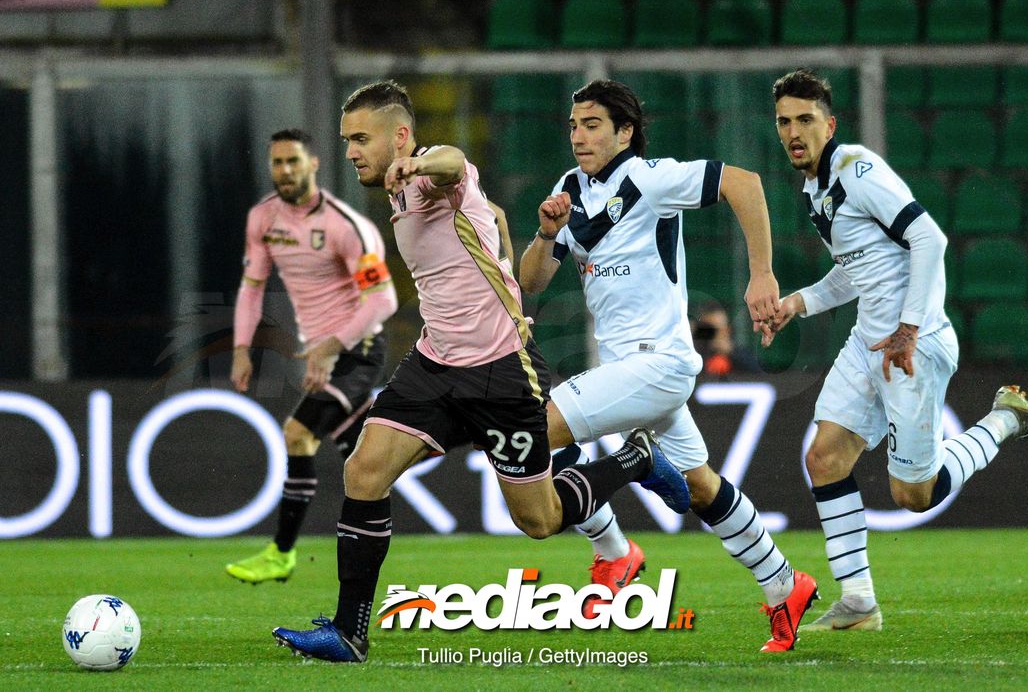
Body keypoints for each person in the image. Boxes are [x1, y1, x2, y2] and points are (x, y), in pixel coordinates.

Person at [271, 80, 690, 663]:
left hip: (500, 371)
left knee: (538, 520)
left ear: (400, 136)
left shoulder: (434, 173)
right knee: (363, 472)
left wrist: (419, 164)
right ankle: (349, 632)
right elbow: (487, 216)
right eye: (346, 140)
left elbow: (452, 163)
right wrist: (496, 242)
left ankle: (634, 460)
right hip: (435, 364)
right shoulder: (402, 191)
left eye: (360, 139)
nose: (350, 152)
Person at [517, 79, 819, 653]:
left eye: (592, 125)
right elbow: (532, 282)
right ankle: (785, 584)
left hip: (658, 364)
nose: (578, 136)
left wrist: (762, 273)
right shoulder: (568, 190)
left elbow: (745, 183)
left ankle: (615, 551)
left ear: (624, 132)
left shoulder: (650, 179)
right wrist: (546, 233)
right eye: (574, 126)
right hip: (631, 374)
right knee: (700, 487)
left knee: (528, 433)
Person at [763, 68, 1028, 632]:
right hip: (869, 341)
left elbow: (929, 238)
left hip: (912, 345)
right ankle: (858, 602)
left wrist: (908, 329)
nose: (794, 132)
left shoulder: (858, 171)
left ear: (830, 125)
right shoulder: (816, 188)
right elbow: (856, 271)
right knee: (824, 459)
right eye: (784, 122)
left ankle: (1006, 419)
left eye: (805, 119)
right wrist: (797, 303)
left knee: (913, 495)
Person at [225, 129, 399, 585]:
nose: (285, 171)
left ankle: (281, 553)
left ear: (314, 164)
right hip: (324, 353)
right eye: (277, 162)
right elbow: (252, 288)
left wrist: (330, 347)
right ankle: (459, 431)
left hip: (359, 349)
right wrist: (241, 349)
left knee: (298, 434)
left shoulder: (346, 227)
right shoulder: (264, 219)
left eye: (293, 161)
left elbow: (383, 301)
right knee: (365, 457)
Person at [692, 302, 758, 378]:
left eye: (721, 329)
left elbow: (759, 375)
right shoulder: (694, 355)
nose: (716, 335)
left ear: (727, 330)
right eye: (709, 330)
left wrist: (732, 352)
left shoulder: (741, 354)